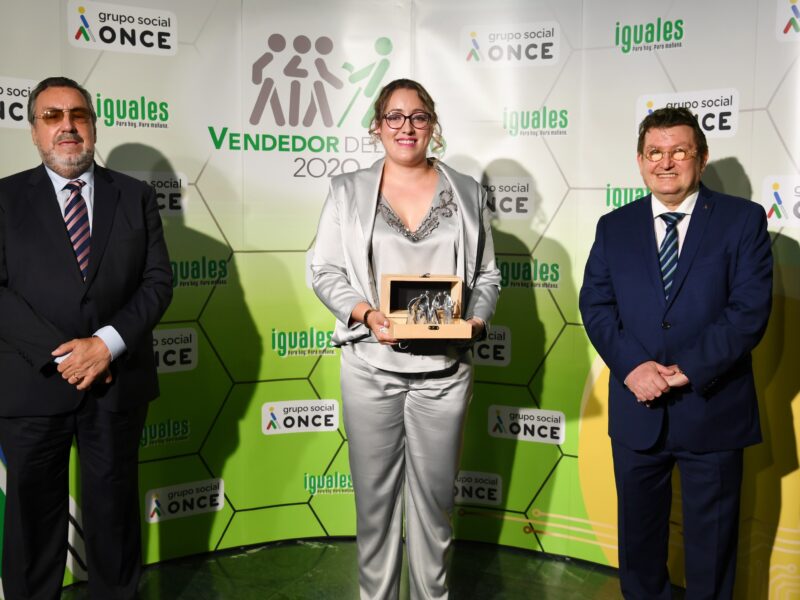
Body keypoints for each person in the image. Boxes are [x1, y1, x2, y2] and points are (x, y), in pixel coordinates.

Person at [311, 78, 500, 599]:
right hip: (370, 368)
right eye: (394, 116)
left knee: (435, 506)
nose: (406, 127)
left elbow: (486, 276)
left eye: (418, 116)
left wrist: (477, 321)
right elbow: (324, 270)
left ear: (433, 124)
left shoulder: (467, 191)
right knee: (374, 508)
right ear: (376, 127)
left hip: (445, 372)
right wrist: (366, 314)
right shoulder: (347, 192)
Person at [579, 107, 772, 599]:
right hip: (637, 409)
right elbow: (597, 305)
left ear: (701, 159)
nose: (667, 163)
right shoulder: (613, 226)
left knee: (712, 550)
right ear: (640, 161)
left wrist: (686, 370)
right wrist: (633, 367)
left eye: (679, 151)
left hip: (714, 408)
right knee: (639, 550)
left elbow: (748, 310)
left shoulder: (742, 221)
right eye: (655, 153)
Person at [0, 76, 172, 599]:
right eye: (52, 116)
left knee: (115, 519)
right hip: (32, 386)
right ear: (34, 131)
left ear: (93, 126)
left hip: (116, 383)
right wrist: (64, 356)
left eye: (78, 115)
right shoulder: (4, 198)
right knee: (31, 526)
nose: (67, 127)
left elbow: (158, 281)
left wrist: (105, 344)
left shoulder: (135, 196)